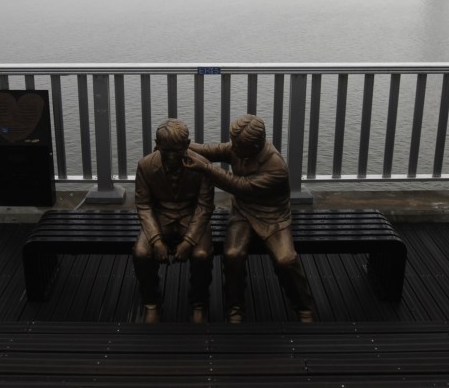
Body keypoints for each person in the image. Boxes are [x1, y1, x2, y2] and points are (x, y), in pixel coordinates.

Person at [185, 114, 316, 323]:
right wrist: (182, 144)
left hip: (272, 216)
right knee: (233, 254)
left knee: (286, 259)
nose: (233, 149)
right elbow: (212, 150)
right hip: (243, 211)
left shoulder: (276, 167)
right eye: (233, 144)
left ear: (256, 146)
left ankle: (304, 307)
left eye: (238, 146)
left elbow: (240, 186)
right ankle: (235, 307)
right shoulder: (240, 148)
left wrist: (205, 168)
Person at [133, 118, 215, 324]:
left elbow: (205, 206)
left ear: (187, 145)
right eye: (165, 151)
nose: (171, 156)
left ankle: (199, 303)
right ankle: (151, 302)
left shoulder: (203, 165)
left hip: (192, 215)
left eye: (177, 151)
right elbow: (143, 205)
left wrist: (188, 241)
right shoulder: (145, 165)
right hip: (160, 216)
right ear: (156, 145)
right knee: (142, 252)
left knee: (202, 254)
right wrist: (156, 240)